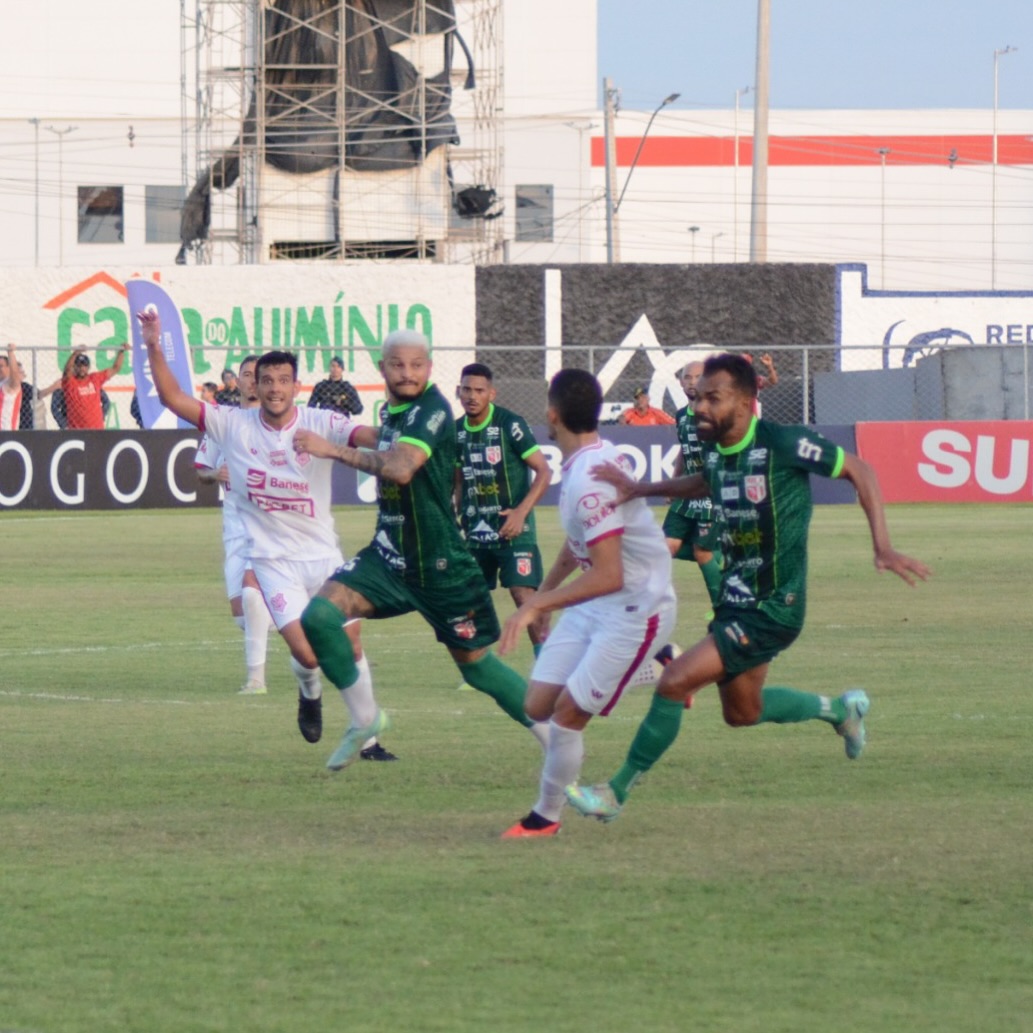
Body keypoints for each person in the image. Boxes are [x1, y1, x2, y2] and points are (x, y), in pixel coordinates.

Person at [566, 352, 931, 823]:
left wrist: (883, 546)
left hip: (775, 606)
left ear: (745, 401)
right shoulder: (718, 452)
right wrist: (642, 489)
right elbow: (706, 481)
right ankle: (840, 710)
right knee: (742, 712)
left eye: (712, 398)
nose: (699, 407)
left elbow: (862, 471)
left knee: (674, 681)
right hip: (736, 601)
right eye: (697, 397)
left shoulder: (783, 443)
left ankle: (613, 795)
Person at [138, 309, 392, 758]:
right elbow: (173, 396)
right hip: (274, 565)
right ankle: (309, 692)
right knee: (310, 656)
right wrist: (155, 343)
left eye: (284, 380)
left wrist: (405, 432)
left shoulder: (322, 421)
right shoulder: (231, 424)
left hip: (324, 558)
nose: (275, 388)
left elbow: (369, 434)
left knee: (350, 644)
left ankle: (369, 738)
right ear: (254, 385)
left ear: (297, 386)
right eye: (267, 380)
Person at [293, 328, 549, 773]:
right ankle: (365, 718)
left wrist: (331, 449)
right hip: (389, 556)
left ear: (429, 368)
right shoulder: (393, 412)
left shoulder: (433, 408)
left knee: (477, 669)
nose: (407, 373)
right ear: (382, 369)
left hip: (441, 565)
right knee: (318, 617)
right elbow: (403, 450)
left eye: (416, 365)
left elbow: (402, 468)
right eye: (397, 364)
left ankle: (555, 740)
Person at [496, 368, 677, 838]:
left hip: (637, 606)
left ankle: (544, 817)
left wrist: (534, 606)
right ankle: (663, 664)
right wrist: (544, 595)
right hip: (598, 603)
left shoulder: (587, 480)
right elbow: (581, 545)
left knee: (567, 715)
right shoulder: (590, 462)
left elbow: (609, 572)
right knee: (536, 705)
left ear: (551, 415)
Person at [454, 362, 552, 658]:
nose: (472, 396)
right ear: (458, 392)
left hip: (514, 530)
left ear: (491, 394)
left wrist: (521, 513)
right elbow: (459, 483)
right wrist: (456, 521)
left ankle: (545, 664)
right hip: (475, 532)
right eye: (467, 390)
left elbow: (544, 472)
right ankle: (478, 664)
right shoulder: (455, 432)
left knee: (523, 594)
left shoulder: (511, 424)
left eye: (479, 391)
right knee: (468, 598)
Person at [195, 355, 278, 695]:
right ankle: (294, 619)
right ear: (240, 381)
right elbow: (201, 471)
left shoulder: (279, 423)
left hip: (269, 530)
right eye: (245, 374)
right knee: (243, 615)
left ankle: (255, 680)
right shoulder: (223, 424)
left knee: (251, 593)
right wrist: (215, 474)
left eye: (257, 375)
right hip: (234, 532)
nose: (250, 380)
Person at [663, 361, 723, 610]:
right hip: (687, 491)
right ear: (680, 382)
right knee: (664, 549)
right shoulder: (680, 416)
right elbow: (684, 452)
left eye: (697, 377)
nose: (691, 381)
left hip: (711, 491)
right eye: (687, 377)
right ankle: (721, 552)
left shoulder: (717, 413)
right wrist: (674, 483)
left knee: (702, 553)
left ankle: (723, 610)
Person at [61, 345, 128, 429]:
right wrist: (75, 353)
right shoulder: (70, 382)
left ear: (88, 367)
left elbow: (116, 368)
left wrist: (121, 352)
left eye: (84, 365)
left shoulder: (95, 378)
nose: (82, 368)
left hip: (97, 430)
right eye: (79, 365)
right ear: (74, 367)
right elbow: (67, 370)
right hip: (76, 431)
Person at [0, 344, 23, 430]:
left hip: (6, 432)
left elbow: (15, 375)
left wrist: (11, 353)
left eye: (1, 366)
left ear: (8, 368)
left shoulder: (10, 384)